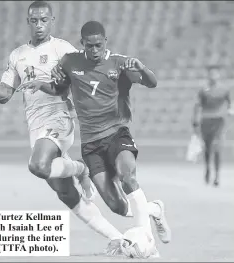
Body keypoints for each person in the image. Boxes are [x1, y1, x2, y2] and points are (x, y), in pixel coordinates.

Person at [0, 1, 139, 255]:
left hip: (58, 117)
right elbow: (4, 94)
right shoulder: (18, 55)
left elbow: (76, 81)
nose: (39, 25)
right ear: (28, 22)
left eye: (44, 20)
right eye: (34, 20)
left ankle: (81, 167)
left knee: (38, 166)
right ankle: (119, 238)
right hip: (36, 126)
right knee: (65, 193)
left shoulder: (62, 50)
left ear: (52, 20)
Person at [19, 20, 172, 257]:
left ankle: (145, 240)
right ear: (82, 44)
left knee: (128, 176)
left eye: (98, 45)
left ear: (105, 42)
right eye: (89, 46)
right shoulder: (70, 61)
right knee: (117, 206)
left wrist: (141, 67)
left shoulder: (120, 63)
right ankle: (154, 208)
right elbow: (60, 89)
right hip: (91, 144)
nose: (94, 50)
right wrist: (42, 84)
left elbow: (152, 83)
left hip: (117, 133)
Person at [192, 66, 232, 186]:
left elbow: (230, 103)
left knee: (217, 147)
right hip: (206, 120)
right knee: (208, 149)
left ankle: (217, 175)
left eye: (215, 74)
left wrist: (230, 109)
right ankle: (208, 168)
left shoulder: (224, 89)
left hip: (219, 121)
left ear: (218, 75)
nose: (213, 76)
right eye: (211, 74)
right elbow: (198, 105)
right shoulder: (204, 90)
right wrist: (195, 120)